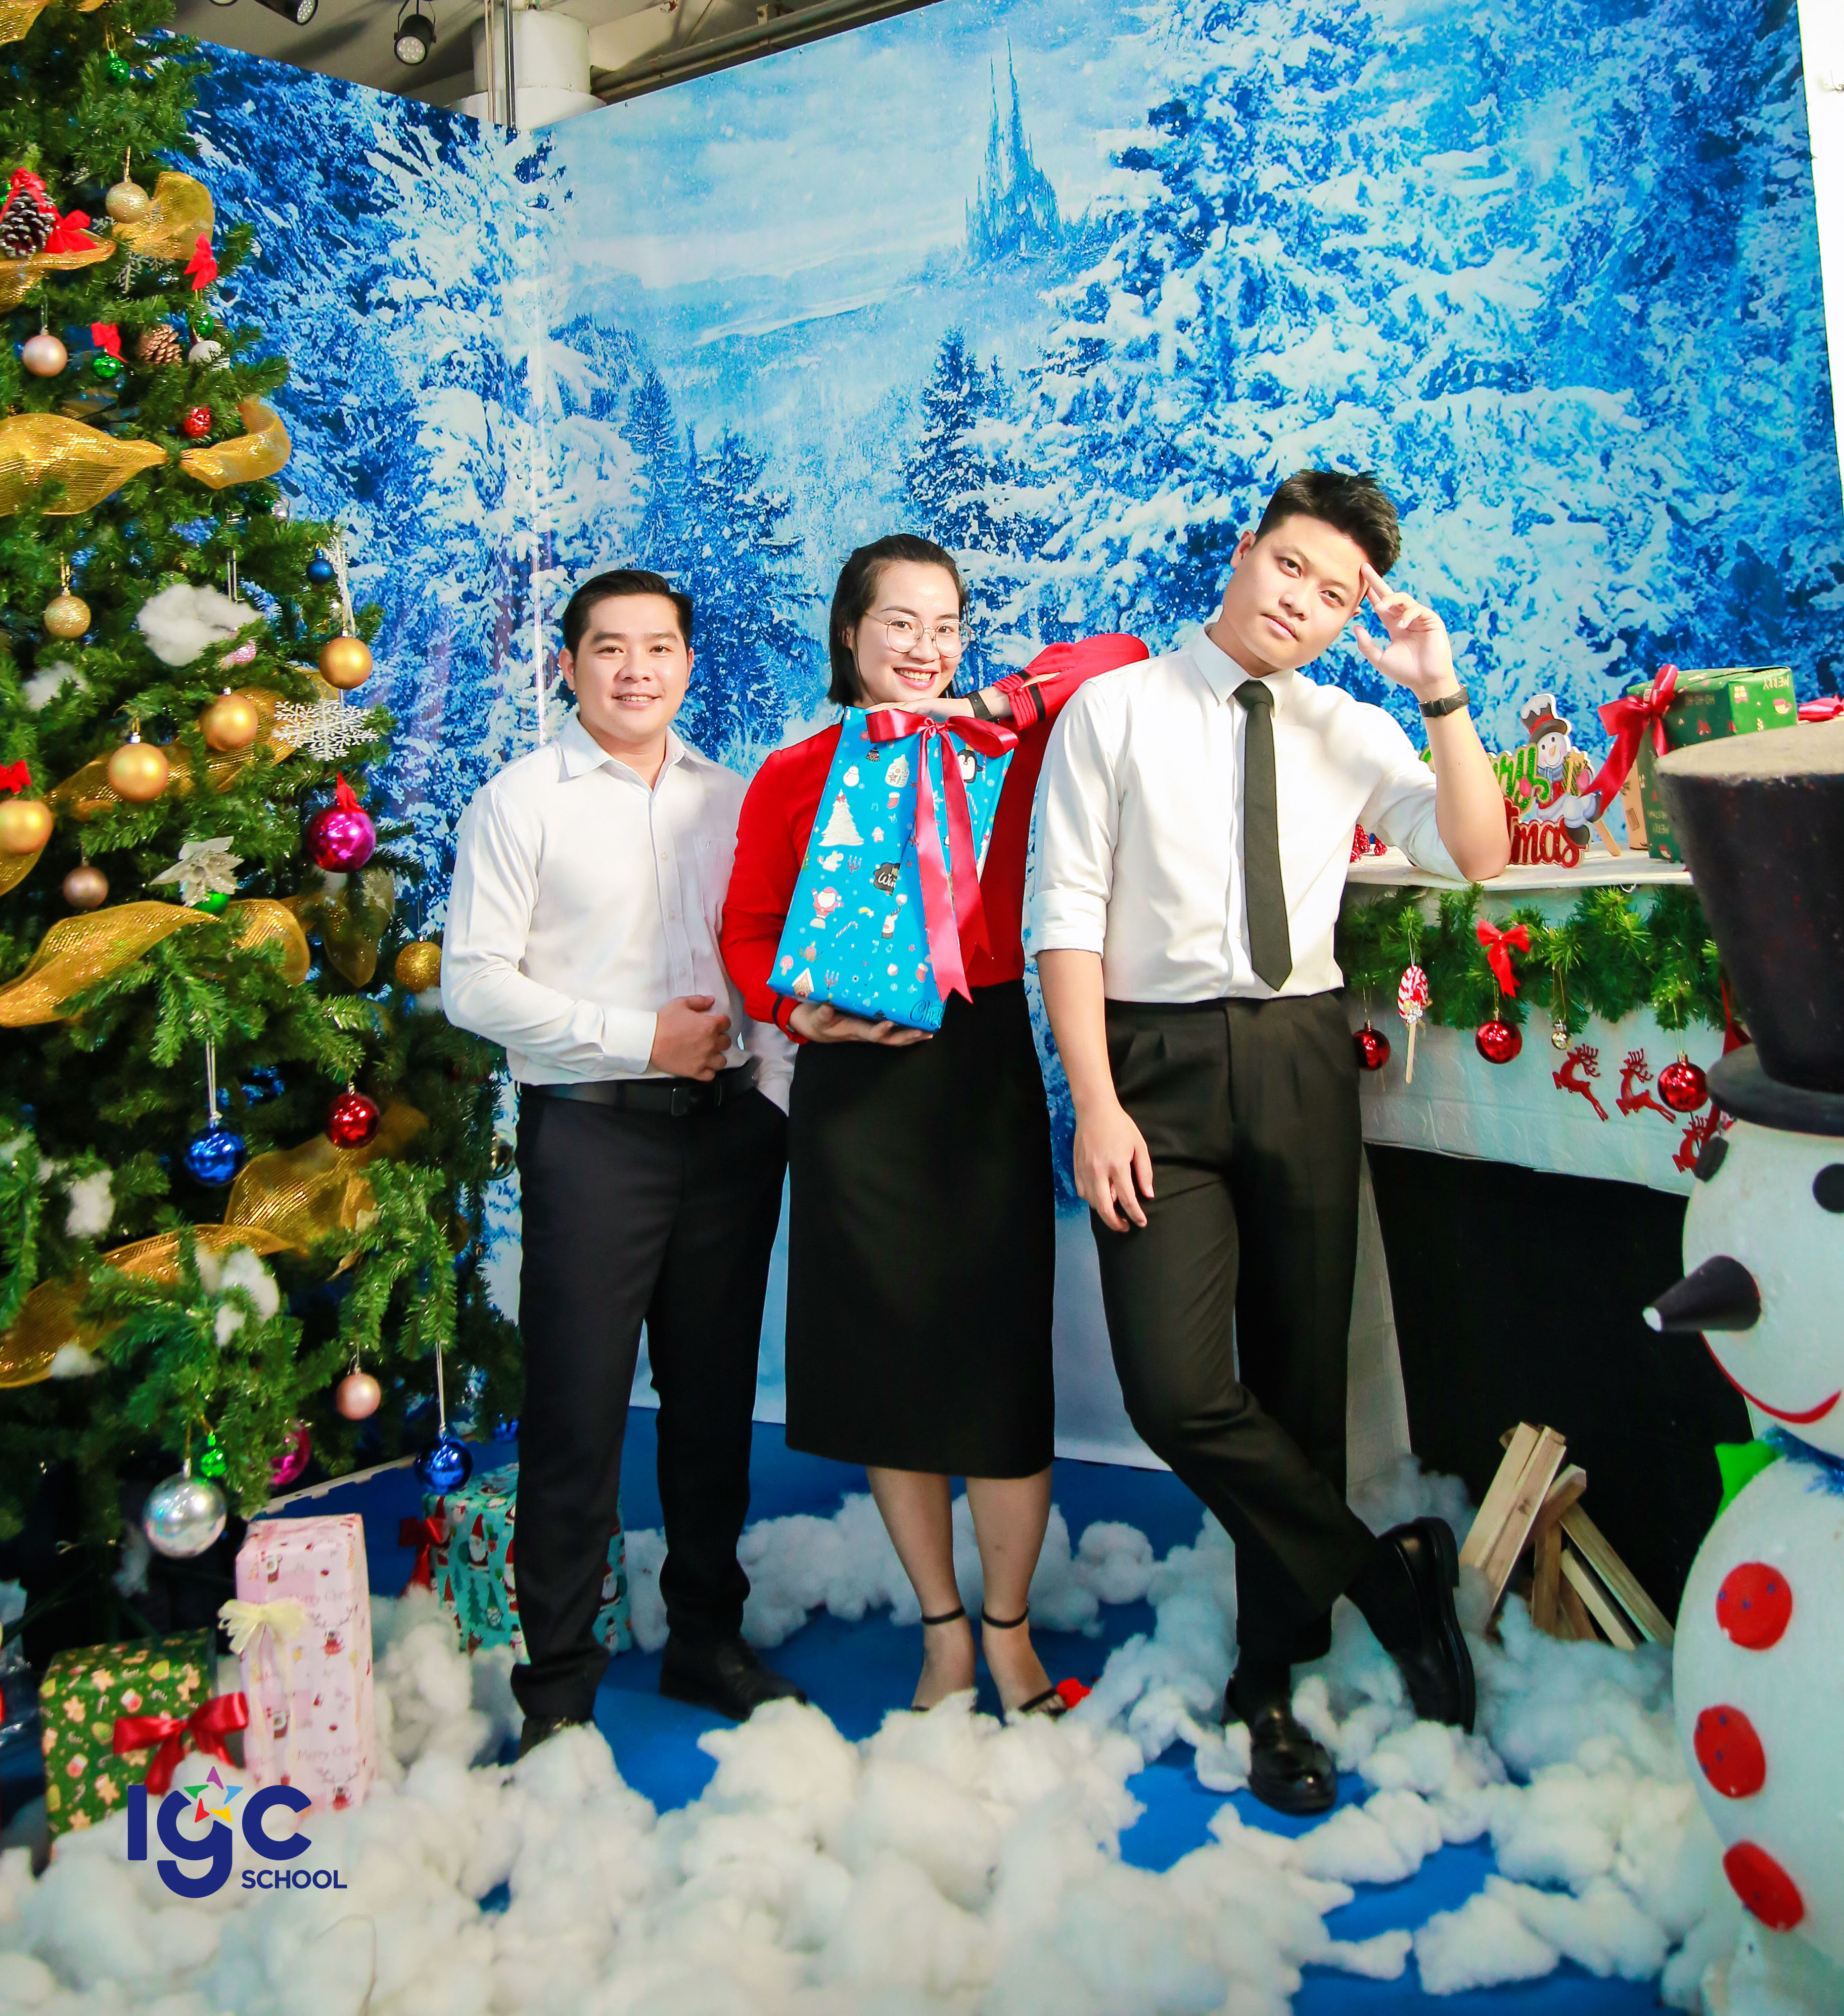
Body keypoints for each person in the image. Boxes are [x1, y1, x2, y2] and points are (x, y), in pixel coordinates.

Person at [1027, 471, 1511, 1815]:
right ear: (1247, 552)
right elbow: (1065, 914)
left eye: (1337, 594)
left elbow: (1476, 850)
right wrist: (1097, 1102)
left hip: (1301, 1057)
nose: (1304, 603)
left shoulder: (1349, 727)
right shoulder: (1116, 710)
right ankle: (1384, 1577)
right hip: (1153, 1070)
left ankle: (1269, 1681)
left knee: (1300, 1385)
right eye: (1293, 567)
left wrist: (1441, 691)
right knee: (1177, 1389)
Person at [720, 533, 1145, 1715]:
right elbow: (747, 932)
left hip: (982, 1074)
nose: (924, 645)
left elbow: (1122, 654)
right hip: (857, 1096)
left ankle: (1009, 1629)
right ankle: (943, 1628)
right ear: (849, 633)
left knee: (1000, 1368)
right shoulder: (795, 773)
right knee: (891, 1368)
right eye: (898, 622)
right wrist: (799, 1012)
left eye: (946, 623)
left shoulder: (1002, 744)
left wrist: (1001, 702)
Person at [442, 568, 803, 1754]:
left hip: (730, 1133)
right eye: (609, 647)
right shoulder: (520, 802)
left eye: (659, 647)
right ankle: (558, 1689)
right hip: (593, 1132)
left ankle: (706, 1638)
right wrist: (639, 1036)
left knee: (711, 1404)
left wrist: (772, 1101)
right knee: (577, 1410)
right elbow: (472, 983)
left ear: (689, 663)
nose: (636, 669)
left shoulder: (732, 797)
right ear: (569, 664)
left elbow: (765, 958)